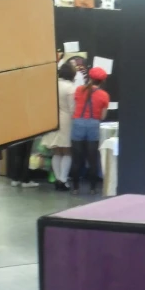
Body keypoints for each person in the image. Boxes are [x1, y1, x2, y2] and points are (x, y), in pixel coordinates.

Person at [70, 66, 110, 195]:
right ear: (102, 81)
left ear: (90, 78)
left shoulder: (79, 90)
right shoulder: (104, 95)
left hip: (78, 123)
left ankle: (75, 187)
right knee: (92, 159)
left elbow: (75, 107)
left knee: (76, 159)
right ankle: (93, 188)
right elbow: (103, 116)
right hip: (93, 125)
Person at [40, 62, 76, 191]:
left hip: (52, 119)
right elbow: (72, 108)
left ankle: (57, 179)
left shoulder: (52, 85)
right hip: (66, 120)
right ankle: (63, 179)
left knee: (56, 150)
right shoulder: (70, 88)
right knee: (66, 150)